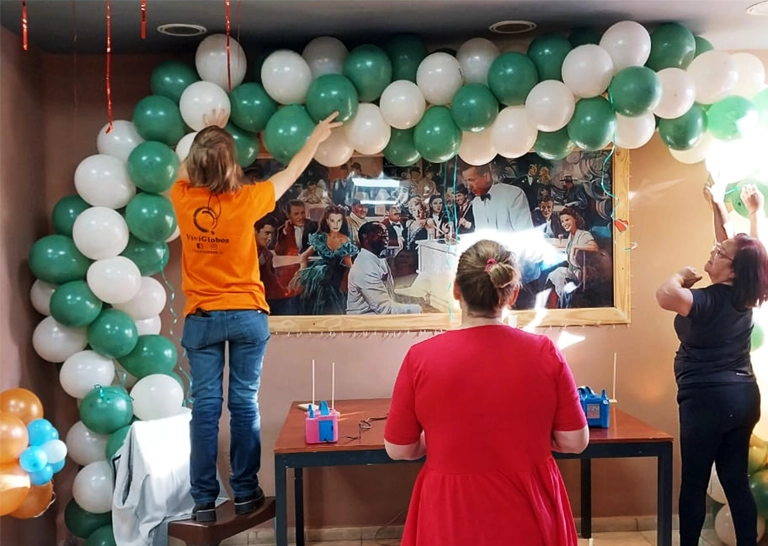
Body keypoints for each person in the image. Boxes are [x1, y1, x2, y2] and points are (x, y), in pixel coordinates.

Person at [170, 109, 341, 522]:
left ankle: (204, 502)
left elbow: (181, 168)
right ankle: (246, 494)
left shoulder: (181, 196)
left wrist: (203, 131)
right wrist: (315, 138)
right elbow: (295, 169)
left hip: (204, 316)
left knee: (205, 410)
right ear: (232, 165)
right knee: (244, 404)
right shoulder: (246, 201)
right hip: (247, 314)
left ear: (195, 163)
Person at [384, 239, 589, 546]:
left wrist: (442, 440)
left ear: (455, 291)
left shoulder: (420, 358)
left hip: (449, 511)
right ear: (513, 294)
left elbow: (399, 449)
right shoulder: (544, 352)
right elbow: (574, 442)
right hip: (528, 510)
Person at [655, 181, 768, 546]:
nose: (714, 250)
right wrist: (726, 208)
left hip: (706, 401)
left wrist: (680, 276)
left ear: (732, 270)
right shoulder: (746, 294)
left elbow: (665, 295)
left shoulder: (705, 300)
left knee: (694, 482)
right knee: (735, 479)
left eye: (720, 253)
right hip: (743, 398)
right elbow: (746, 253)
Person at [292, 205, 358, 315]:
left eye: (339, 221)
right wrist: (302, 272)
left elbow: (349, 263)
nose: (336, 224)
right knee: (317, 303)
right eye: (332, 221)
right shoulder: (320, 237)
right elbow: (304, 256)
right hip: (318, 275)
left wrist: (353, 281)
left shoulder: (345, 239)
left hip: (337, 276)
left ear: (343, 222)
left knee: (335, 303)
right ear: (327, 221)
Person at [347, 222, 423, 315]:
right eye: (379, 233)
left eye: (386, 232)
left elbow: (390, 297)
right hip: (364, 322)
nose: (385, 235)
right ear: (365, 237)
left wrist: (416, 301)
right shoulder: (364, 267)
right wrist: (419, 309)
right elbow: (385, 309)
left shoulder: (378, 259)